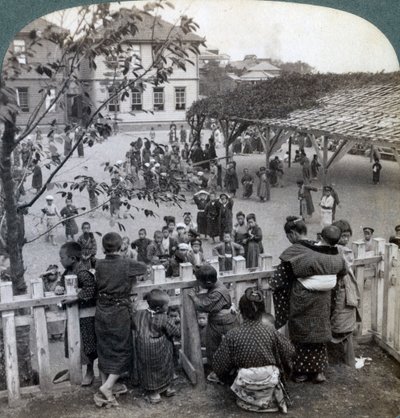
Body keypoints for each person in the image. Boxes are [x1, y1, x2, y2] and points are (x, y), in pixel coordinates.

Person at [268, 221, 346, 384]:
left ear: (321, 237)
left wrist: (274, 285)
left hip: (303, 298)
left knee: (301, 332)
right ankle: (318, 372)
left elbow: (282, 274)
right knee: (319, 332)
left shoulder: (304, 253)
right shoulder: (338, 256)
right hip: (324, 299)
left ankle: (301, 372)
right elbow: (342, 273)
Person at [213, 288, 294, 414]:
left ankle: (248, 397)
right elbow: (290, 351)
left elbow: (219, 365)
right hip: (270, 382)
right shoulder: (270, 331)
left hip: (245, 387)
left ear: (240, 312)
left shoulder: (232, 335)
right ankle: (272, 397)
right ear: (262, 312)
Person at [94, 232, 147, 407]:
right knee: (123, 348)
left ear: (103, 248)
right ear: (121, 247)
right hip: (118, 311)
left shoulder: (99, 264)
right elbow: (143, 268)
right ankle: (108, 387)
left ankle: (106, 384)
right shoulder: (126, 263)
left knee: (105, 347)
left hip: (101, 309)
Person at [55, 242, 97, 386]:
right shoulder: (67, 272)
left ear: (72, 258)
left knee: (87, 345)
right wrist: (59, 287)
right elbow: (61, 281)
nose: (60, 260)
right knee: (71, 341)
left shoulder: (83, 272)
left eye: (62, 257)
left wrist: (77, 297)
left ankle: (90, 371)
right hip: (73, 315)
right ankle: (72, 370)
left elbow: (91, 288)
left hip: (85, 316)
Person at [188, 265, 238, 382]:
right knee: (218, 346)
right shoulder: (216, 283)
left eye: (200, 283)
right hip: (221, 319)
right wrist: (199, 269)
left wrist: (194, 298)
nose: (199, 284)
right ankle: (224, 370)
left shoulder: (218, 293)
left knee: (215, 346)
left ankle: (222, 372)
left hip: (223, 321)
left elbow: (203, 305)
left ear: (209, 283)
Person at [134, 289, 180, 404]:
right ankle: (167, 388)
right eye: (166, 306)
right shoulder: (163, 318)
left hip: (143, 348)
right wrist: (175, 324)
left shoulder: (139, 314)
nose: (167, 307)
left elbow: (133, 323)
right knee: (165, 365)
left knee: (149, 370)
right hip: (160, 349)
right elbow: (176, 332)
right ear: (159, 309)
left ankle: (154, 393)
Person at [331, 220, 361, 363]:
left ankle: (348, 358)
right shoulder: (341, 250)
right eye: (343, 236)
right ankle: (346, 357)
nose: (346, 239)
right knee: (340, 320)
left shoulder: (339, 250)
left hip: (343, 288)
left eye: (348, 236)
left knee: (341, 320)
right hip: (340, 289)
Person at [41, 265, 64, 341]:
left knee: (59, 319)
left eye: (53, 274)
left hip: (57, 304)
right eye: (49, 275)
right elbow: (40, 277)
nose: (51, 276)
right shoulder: (45, 282)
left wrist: (57, 272)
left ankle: (61, 334)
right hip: (49, 304)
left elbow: (61, 276)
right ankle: (52, 336)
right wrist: (47, 272)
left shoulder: (59, 281)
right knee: (50, 319)